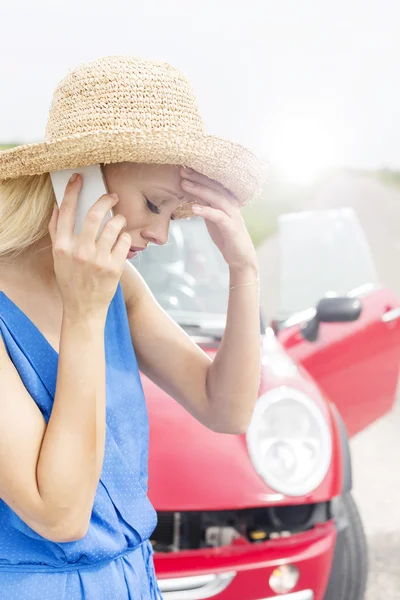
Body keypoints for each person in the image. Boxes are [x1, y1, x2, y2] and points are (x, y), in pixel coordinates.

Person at [0, 55, 264, 599]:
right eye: (155, 205)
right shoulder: (97, 297)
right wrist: (86, 313)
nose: (164, 235)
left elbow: (227, 408)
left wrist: (244, 271)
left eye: (176, 215)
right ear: (78, 177)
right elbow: (61, 514)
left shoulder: (121, 288)